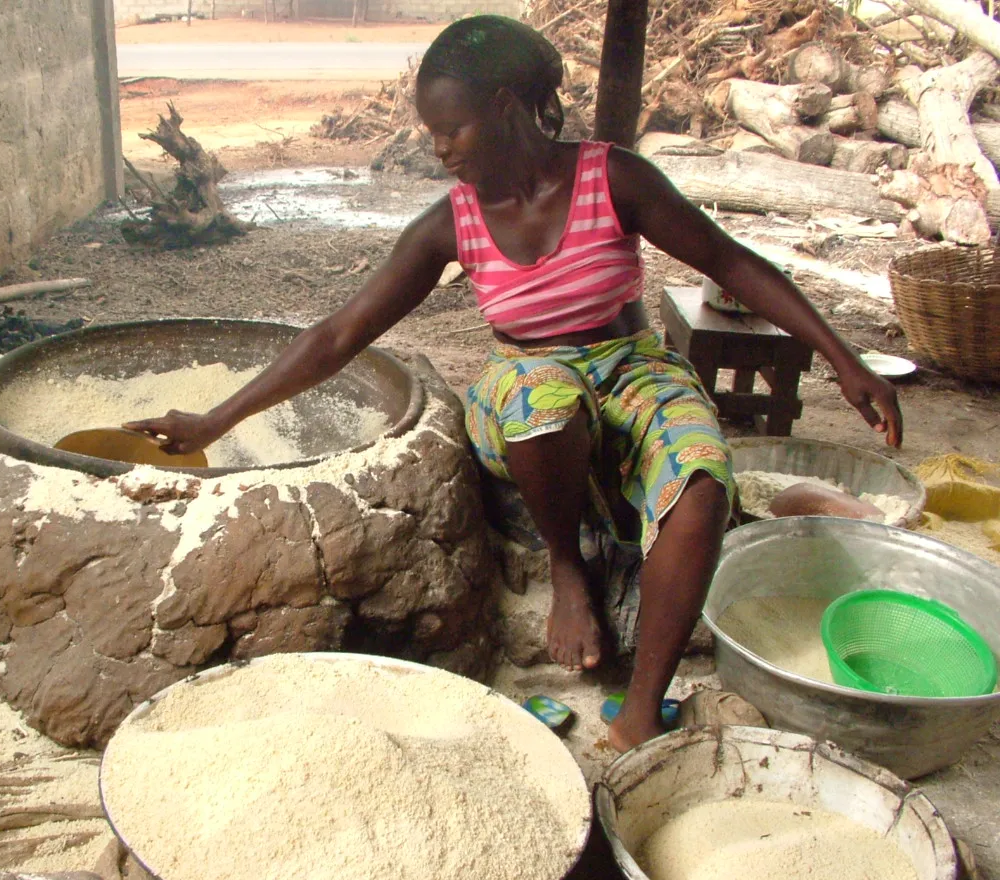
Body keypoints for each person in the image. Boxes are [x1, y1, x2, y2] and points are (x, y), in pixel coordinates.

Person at [125, 15, 903, 752]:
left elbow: (730, 262)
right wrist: (215, 422)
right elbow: (338, 335)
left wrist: (843, 358)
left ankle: (639, 711)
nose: (439, 149)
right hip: (528, 382)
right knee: (541, 403)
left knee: (702, 484)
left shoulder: (614, 178)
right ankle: (568, 568)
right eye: (433, 132)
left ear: (503, 109)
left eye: (449, 129)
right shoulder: (452, 223)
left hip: (632, 364)